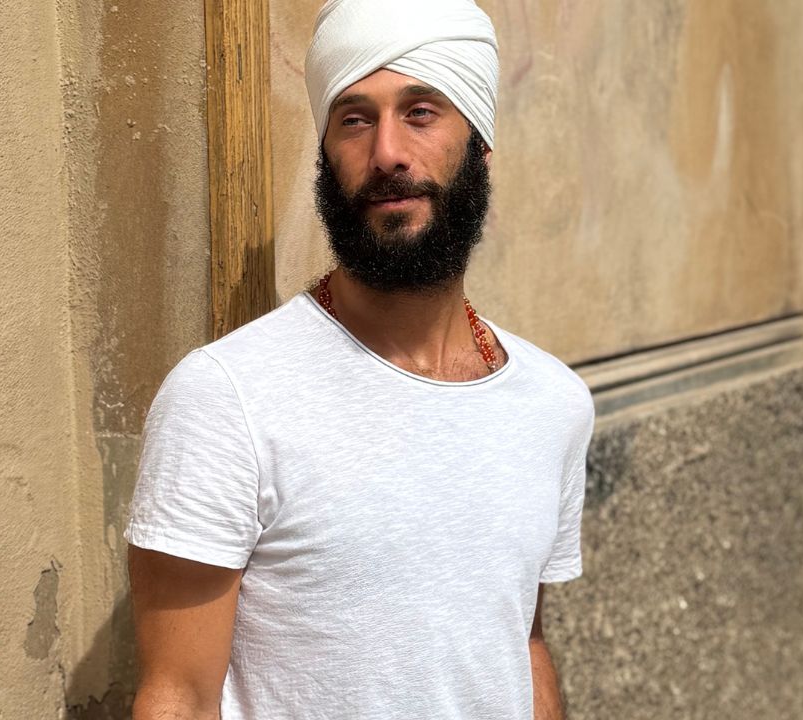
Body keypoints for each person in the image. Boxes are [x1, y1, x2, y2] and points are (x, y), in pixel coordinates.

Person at [125, 0, 594, 717]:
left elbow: (520, 643)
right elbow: (179, 696)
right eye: (354, 119)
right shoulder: (227, 398)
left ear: (479, 144)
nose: (387, 154)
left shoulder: (553, 404)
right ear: (326, 154)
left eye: (421, 113)